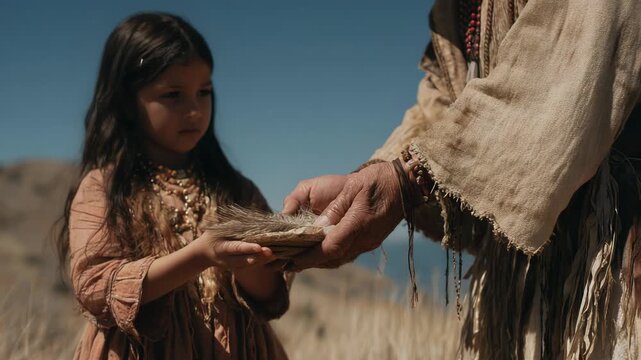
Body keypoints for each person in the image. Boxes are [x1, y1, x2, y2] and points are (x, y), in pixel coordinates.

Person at [283, 0, 641, 358]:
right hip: (523, 293)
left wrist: (407, 180)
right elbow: (437, 110)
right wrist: (365, 182)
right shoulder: (453, 13)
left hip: (614, 266)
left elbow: (559, 82)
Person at [56, 12, 290, 359]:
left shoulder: (236, 189)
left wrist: (253, 262)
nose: (194, 110)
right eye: (174, 95)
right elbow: (95, 286)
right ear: (127, 101)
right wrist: (201, 255)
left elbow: (270, 296)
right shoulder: (104, 188)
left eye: (204, 92)